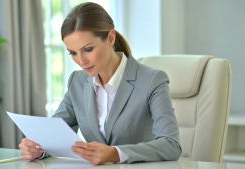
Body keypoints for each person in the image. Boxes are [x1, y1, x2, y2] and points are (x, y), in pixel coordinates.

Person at [19, 2, 181, 165]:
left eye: (88, 49)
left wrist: (115, 153)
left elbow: (171, 144)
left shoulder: (153, 80)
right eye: (73, 53)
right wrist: (38, 148)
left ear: (110, 38)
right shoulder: (77, 81)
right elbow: (55, 135)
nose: (81, 61)